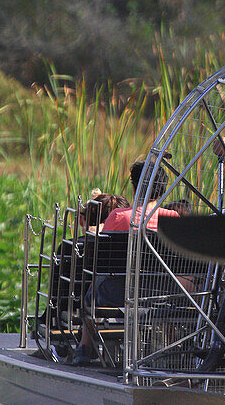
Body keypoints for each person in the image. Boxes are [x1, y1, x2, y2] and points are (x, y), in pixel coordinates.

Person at [71, 156, 181, 365]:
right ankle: (173, 348)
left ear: (134, 186)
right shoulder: (173, 218)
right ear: (164, 188)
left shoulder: (118, 216)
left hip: (120, 291)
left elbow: (103, 257)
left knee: (94, 286)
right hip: (163, 292)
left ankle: (85, 346)